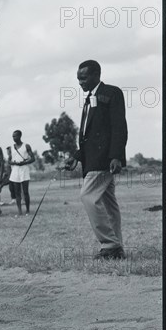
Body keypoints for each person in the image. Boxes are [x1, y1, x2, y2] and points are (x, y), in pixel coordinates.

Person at [64, 59, 128, 260]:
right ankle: (117, 246)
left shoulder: (112, 93)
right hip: (91, 159)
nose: (80, 83)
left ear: (96, 75)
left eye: (83, 78)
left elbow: (119, 126)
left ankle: (109, 245)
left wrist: (116, 155)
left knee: (88, 196)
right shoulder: (88, 99)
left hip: (104, 159)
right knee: (108, 204)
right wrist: (76, 156)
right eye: (78, 79)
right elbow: (88, 134)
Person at [8, 130, 35, 216]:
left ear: (20, 136)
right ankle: (19, 211)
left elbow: (33, 158)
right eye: (13, 136)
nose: (14, 138)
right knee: (17, 192)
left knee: (25, 191)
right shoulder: (11, 147)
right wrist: (14, 163)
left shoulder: (26, 146)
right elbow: (9, 161)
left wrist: (24, 163)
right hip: (15, 170)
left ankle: (27, 210)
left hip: (24, 170)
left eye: (15, 136)